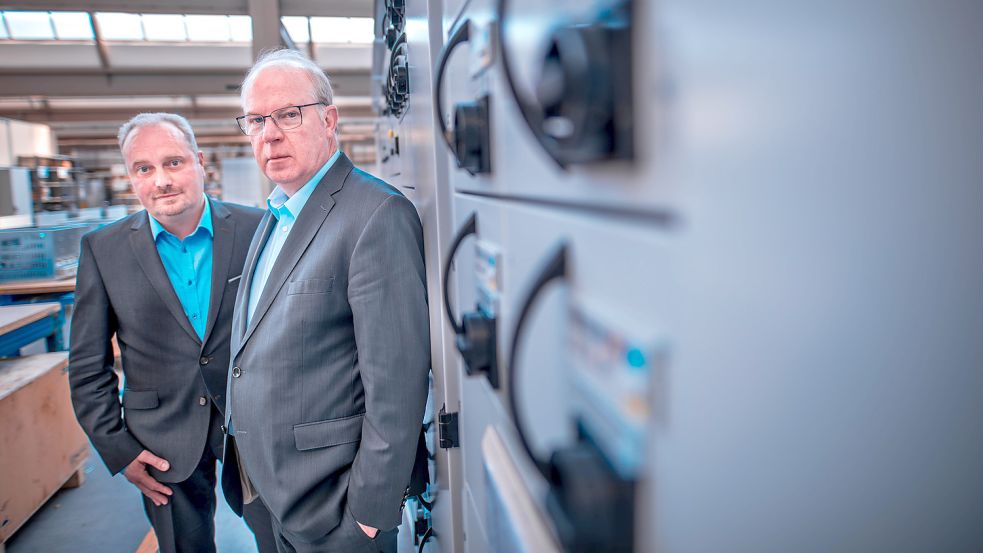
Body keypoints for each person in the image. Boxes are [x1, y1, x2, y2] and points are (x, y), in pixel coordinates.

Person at [222, 48, 431, 553]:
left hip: (333, 508)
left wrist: (368, 515)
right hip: (267, 493)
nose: (269, 134)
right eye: (255, 120)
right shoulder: (275, 214)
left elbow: (398, 385)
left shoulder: (374, 215)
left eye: (288, 115)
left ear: (329, 119)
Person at [69, 113, 276, 553]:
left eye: (174, 162)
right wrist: (118, 448)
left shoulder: (259, 228)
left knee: (281, 541)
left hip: (256, 426)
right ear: (131, 178)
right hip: (159, 439)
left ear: (200, 162)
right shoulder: (103, 250)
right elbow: (88, 366)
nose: (161, 180)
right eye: (144, 169)